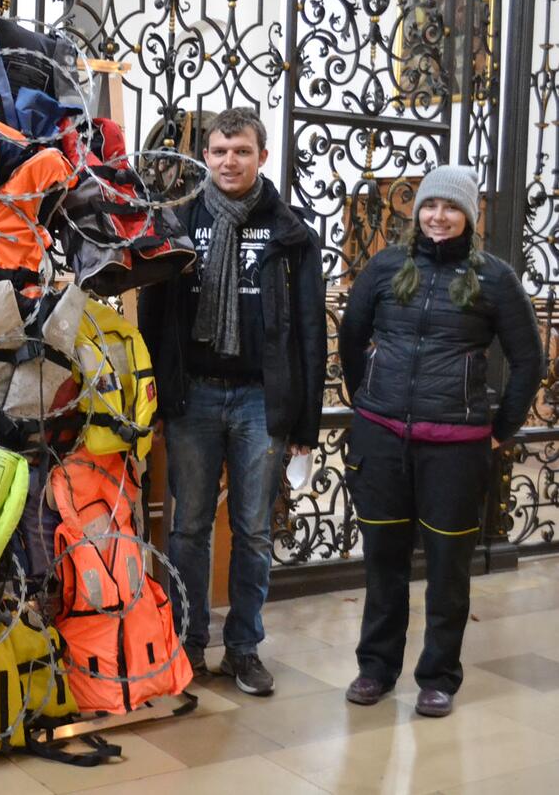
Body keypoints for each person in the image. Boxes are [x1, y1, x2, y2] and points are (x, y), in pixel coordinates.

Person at [339, 165, 543, 717]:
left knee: (449, 569)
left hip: (456, 447)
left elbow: (530, 361)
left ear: (469, 217)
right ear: (417, 210)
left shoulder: (495, 279)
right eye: (430, 206)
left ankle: (438, 676)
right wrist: (370, 401)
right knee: (384, 563)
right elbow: (351, 337)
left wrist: (501, 429)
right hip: (382, 440)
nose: (438, 216)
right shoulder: (384, 267)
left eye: (451, 208)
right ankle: (375, 669)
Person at [138, 107, 327, 696]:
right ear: (207, 157)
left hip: (259, 401)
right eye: (219, 151)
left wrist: (306, 420)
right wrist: (158, 401)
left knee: (253, 530)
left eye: (240, 151)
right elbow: (154, 320)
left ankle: (243, 648)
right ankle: (189, 640)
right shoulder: (178, 222)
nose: (228, 161)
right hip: (193, 396)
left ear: (262, 157)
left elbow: (310, 333)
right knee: (188, 527)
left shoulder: (291, 233)